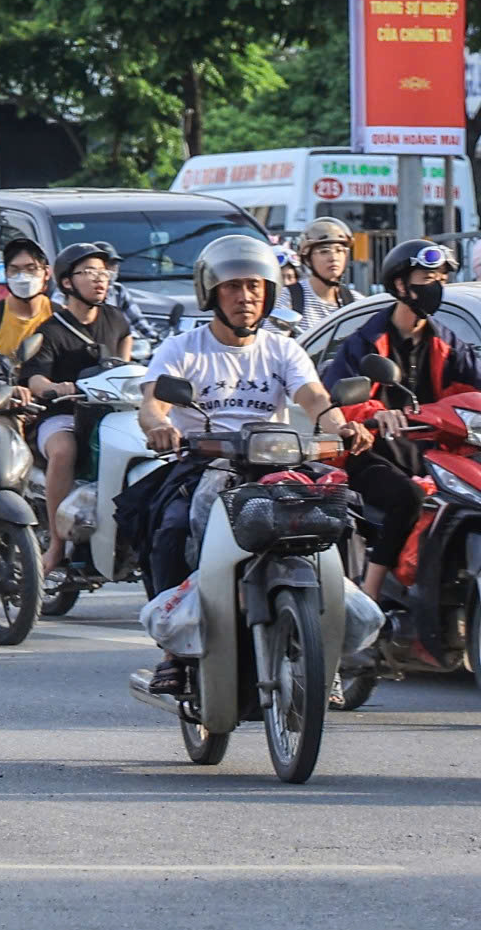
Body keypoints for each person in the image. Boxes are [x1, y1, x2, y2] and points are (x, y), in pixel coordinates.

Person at [128, 233, 367, 695]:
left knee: (343, 517)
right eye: (233, 287)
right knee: (171, 528)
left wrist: (340, 426)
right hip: (202, 462)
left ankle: (329, 647)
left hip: (273, 466)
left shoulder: (283, 349)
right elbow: (152, 402)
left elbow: (314, 397)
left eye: (255, 287)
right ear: (212, 293)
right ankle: (174, 651)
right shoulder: (183, 349)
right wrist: (158, 425)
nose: (245, 298)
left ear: (269, 293)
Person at [321, 238, 481, 599]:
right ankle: (370, 598)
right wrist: (378, 414)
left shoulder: (448, 343)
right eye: (428, 276)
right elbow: (338, 400)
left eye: (441, 277)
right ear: (400, 285)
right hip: (370, 455)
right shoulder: (364, 341)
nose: (436, 285)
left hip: (433, 456)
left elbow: (473, 389)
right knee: (407, 497)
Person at [21, 241, 136, 575]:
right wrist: (55, 388)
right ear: (67, 282)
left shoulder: (116, 318)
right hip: (63, 416)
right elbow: (34, 378)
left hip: (111, 415)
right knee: (64, 451)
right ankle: (57, 545)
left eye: (103, 272)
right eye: (88, 273)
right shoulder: (52, 329)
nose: (100, 280)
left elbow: (125, 357)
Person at [0, 236, 54, 363]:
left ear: (46, 273)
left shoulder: (59, 316)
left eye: (31, 269)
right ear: (6, 274)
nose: (23, 277)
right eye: (14, 270)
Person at [287, 216, 360, 335]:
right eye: (324, 251)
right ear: (308, 259)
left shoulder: (356, 302)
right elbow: (273, 345)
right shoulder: (290, 297)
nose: (333, 258)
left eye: (339, 250)